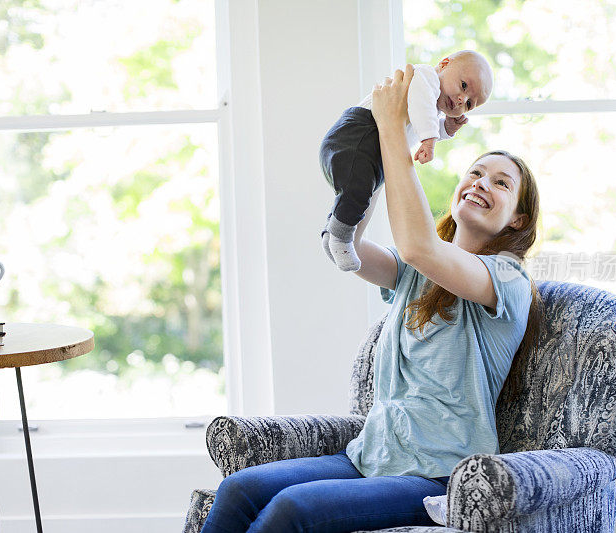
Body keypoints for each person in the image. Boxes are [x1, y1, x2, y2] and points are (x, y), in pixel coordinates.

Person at [200, 64, 543, 533]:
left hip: (437, 471)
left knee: (292, 510)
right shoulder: (415, 274)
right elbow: (353, 252)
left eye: (501, 183)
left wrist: (389, 131)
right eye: (476, 173)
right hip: (372, 454)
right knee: (238, 489)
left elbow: (420, 245)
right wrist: (369, 168)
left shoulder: (506, 281)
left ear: (519, 220)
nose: (481, 182)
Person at [320, 50, 494, 272]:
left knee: (361, 193)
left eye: (469, 104)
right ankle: (340, 237)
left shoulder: (432, 112)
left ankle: (334, 232)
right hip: (357, 134)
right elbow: (422, 109)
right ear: (444, 64)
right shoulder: (425, 77)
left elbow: (424, 119)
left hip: (372, 147)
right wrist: (429, 140)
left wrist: (446, 129)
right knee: (358, 189)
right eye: (463, 86)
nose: (462, 99)